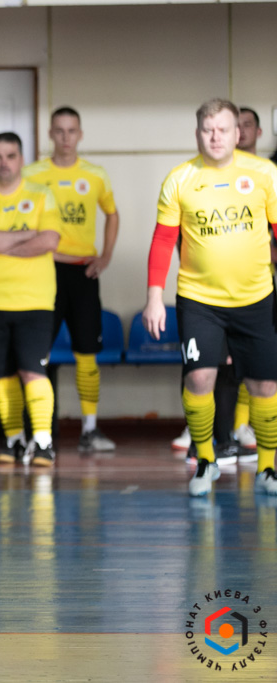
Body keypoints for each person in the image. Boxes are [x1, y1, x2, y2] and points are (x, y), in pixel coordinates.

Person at [142, 98, 277, 497]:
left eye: (223, 129)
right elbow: (163, 240)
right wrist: (154, 297)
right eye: (208, 129)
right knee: (199, 377)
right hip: (199, 300)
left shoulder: (265, 173)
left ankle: (268, 467)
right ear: (197, 133)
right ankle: (205, 461)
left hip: (256, 298)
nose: (215, 137)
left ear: (238, 133)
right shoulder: (180, 179)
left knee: (265, 385)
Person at [23, 107, 119, 452]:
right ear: (50, 134)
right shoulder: (33, 174)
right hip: (44, 271)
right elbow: (23, 222)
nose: (65, 137)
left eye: (71, 130)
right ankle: (39, 434)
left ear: (80, 134)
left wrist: (105, 256)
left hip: (83, 272)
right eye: (59, 131)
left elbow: (112, 214)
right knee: (39, 353)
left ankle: (89, 430)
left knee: (87, 353)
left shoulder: (95, 174)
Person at [0, 133, 62, 467]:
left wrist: (1, 240)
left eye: (10, 155)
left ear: (21, 159)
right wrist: (27, 234)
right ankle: (14, 441)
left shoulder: (42, 195)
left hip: (35, 301)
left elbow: (49, 240)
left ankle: (43, 442)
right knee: (3, 375)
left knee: (33, 371)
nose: (4, 163)